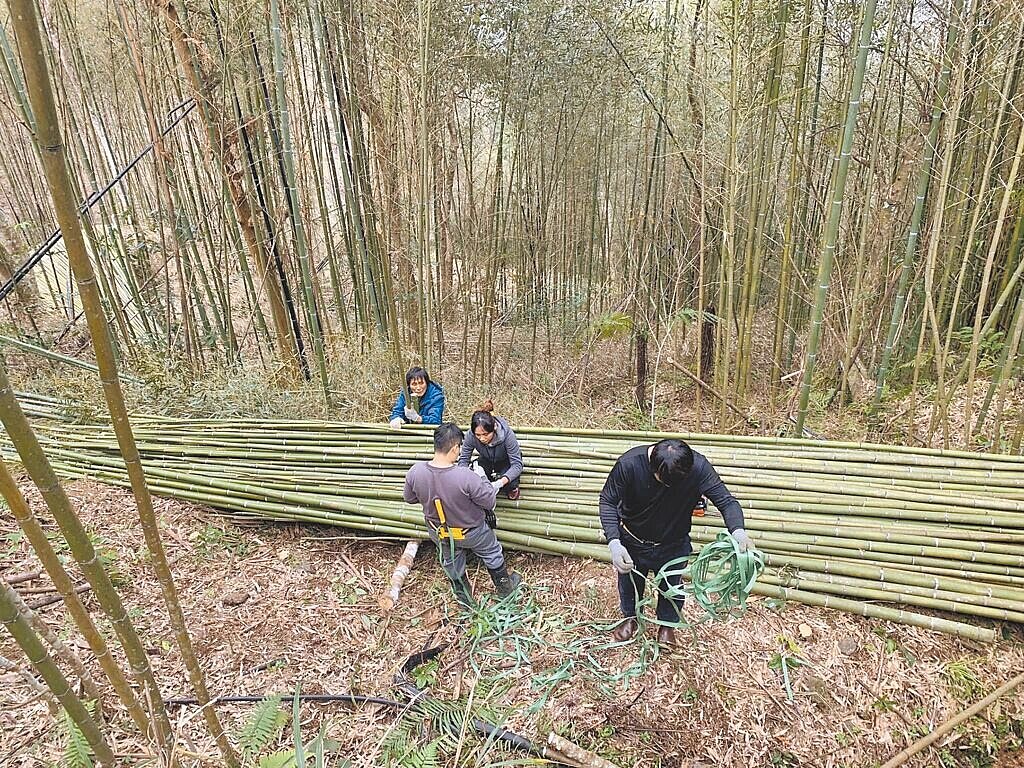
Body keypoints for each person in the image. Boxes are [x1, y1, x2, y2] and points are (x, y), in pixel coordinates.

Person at [598, 438, 754, 647]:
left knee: (672, 586)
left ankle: (667, 625)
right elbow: (607, 500)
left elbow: (726, 500)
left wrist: (738, 531)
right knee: (630, 584)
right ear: (653, 466)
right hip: (632, 540)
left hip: (674, 542)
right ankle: (630, 618)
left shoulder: (698, 467)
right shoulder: (630, 464)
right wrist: (614, 542)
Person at [403, 422, 523, 606]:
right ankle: (506, 591)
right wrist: (482, 478)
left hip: (439, 532)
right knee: (492, 552)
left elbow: (409, 498)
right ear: (454, 448)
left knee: (451, 561)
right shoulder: (465, 476)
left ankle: (465, 602)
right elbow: (489, 502)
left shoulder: (415, 471)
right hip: (472, 532)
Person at [457, 401, 524, 501]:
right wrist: (464, 476)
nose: (482, 439)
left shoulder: (507, 435)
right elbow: (463, 460)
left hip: (506, 460)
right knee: (474, 475)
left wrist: (500, 482)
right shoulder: (470, 436)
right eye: (478, 435)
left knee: (510, 483)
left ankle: (509, 486)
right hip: (486, 459)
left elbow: (517, 465)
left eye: (486, 434)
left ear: (494, 428)